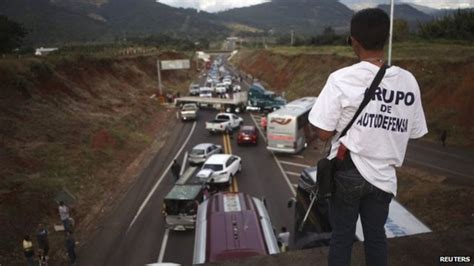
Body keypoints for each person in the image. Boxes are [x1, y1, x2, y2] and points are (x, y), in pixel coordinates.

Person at [308, 8, 427, 266]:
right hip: (384, 176)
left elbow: (324, 131)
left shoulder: (341, 79)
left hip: (348, 171)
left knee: (342, 237)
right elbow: (414, 131)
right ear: (386, 39)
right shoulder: (408, 81)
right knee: (376, 236)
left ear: (353, 40)